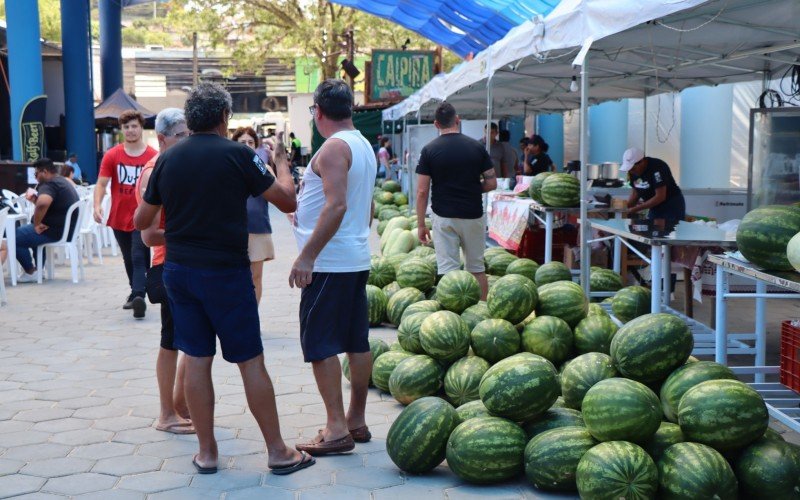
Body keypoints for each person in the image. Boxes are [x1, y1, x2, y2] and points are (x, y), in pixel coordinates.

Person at [134, 82, 313, 475]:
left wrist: (180, 233)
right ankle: (278, 452)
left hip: (180, 273)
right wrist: (282, 165)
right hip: (226, 274)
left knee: (197, 358)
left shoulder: (167, 159)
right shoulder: (239, 155)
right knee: (250, 360)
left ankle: (208, 453)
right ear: (224, 117)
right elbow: (287, 201)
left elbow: (141, 223)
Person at [291, 79, 377, 455]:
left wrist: (307, 255)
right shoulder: (363, 145)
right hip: (353, 257)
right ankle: (355, 420)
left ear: (319, 112)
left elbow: (336, 205)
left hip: (329, 263)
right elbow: (365, 207)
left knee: (320, 344)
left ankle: (337, 428)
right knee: (356, 340)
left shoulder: (332, 149)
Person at [135, 107, 193, 435]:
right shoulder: (153, 171)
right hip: (167, 265)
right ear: (162, 138)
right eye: (182, 135)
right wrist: (191, 233)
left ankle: (180, 404)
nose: (188, 140)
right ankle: (166, 413)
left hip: (187, 262)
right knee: (170, 341)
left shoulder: (179, 163)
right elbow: (148, 234)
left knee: (193, 339)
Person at [416, 102, 497, 299]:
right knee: (477, 269)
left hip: (444, 217)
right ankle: (481, 312)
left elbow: (421, 191)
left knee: (448, 272)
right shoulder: (477, 147)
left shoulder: (429, 150)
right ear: (457, 120)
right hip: (473, 215)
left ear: (436, 124)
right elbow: (492, 182)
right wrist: (471, 189)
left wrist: (421, 224)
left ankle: (451, 317)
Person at [94, 109, 158, 319]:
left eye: (134, 126)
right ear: (122, 130)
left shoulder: (152, 156)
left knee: (139, 256)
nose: (130, 130)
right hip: (119, 216)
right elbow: (102, 183)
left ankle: (139, 294)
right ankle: (135, 292)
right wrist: (97, 205)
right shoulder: (112, 154)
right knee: (128, 258)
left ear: (141, 128)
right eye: (126, 127)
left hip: (144, 215)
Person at [15, 158, 80, 283]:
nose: (36, 177)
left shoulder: (49, 184)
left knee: (14, 237)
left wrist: (37, 224)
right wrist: (35, 200)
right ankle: (39, 269)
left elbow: (43, 204)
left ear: (44, 172)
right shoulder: (61, 181)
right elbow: (48, 204)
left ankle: (31, 271)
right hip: (65, 230)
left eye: (36, 174)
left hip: (53, 231)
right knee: (29, 231)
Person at [232, 126, 275, 304]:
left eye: (251, 142)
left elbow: (277, 191)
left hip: (258, 228)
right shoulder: (229, 167)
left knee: (256, 277)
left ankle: (252, 317)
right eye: (243, 142)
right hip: (233, 230)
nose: (247, 145)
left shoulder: (263, 168)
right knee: (235, 277)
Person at [621, 147, 686, 221]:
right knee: (652, 229)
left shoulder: (657, 167)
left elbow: (660, 196)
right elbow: (635, 193)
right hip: (654, 207)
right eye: (629, 169)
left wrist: (636, 209)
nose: (631, 172)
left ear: (642, 161)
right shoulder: (632, 172)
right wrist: (625, 208)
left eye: (633, 169)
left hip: (671, 205)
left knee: (668, 230)